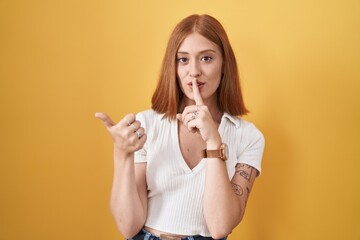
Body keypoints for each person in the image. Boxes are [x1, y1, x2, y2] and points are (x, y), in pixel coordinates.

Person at [95, 14, 265, 240]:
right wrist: (121, 153)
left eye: (206, 58)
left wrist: (213, 141)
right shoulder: (147, 124)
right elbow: (128, 226)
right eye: (183, 59)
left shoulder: (248, 136)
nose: (193, 71)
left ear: (224, 64)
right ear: (172, 67)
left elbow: (220, 226)